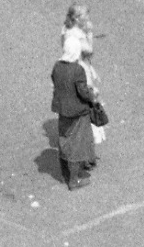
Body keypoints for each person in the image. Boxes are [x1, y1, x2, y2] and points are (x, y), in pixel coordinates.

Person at [50, 29, 100, 191]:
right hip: (77, 112)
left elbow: (55, 81)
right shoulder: (77, 70)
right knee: (76, 145)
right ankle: (73, 180)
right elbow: (83, 91)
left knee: (65, 139)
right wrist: (92, 96)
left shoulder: (58, 66)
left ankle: (65, 172)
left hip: (62, 110)